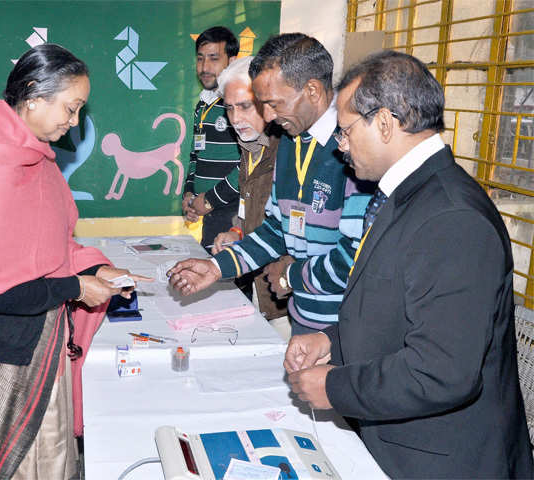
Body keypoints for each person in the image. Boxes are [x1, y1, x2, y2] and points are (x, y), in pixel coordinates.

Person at [285, 50, 533, 478]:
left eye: (344, 132)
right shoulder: (409, 194)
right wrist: (333, 341)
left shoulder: (452, 217)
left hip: (442, 461)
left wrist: (334, 386)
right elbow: (399, 306)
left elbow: (441, 371)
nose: (341, 148)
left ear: (383, 122)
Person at [0, 44, 151, 480]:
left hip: (29, 331)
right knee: (12, 464)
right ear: (33, 96)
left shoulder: (33, 154)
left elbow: (42, 242)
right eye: (71, 107)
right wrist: (74, 288)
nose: (75, 121)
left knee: (49, 457)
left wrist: (93, 269)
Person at [170, 34, 372, 335]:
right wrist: (217, 267)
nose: (268, 116)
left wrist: (292, 276)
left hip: (344, 330)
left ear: (313, 90)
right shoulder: (292, 139)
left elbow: (358, 256)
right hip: (305, 318)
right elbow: (277, 228)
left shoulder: (355, 149)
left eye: (273, 104)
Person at [211, 55, 289, 321]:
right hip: (258, 286)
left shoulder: (286, 149)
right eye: (229, 108)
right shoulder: (250, 146)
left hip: (285, 297)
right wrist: (237, 232)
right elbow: (254, 207)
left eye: (244, 106)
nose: (235, 118)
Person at [182, 26, 242, 252]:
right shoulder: (203, 103)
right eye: (200, 58)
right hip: (207, 212)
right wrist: (189, 195)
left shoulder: (239, 105)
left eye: (214, 59)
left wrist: (209, 200)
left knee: (228, 282)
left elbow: (248, 166)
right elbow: (195, 153)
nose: (205, 68)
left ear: (233, 61)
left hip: (232, 213)